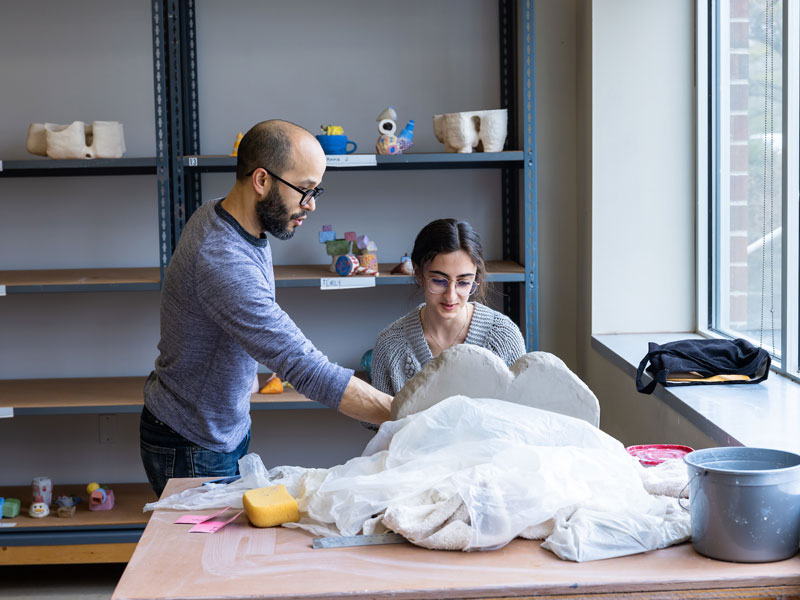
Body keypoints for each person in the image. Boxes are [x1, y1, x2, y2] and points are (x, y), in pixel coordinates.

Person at [140, 120, 392, 497]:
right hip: (193, 442)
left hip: (215, 425)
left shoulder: (226, 215)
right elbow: (307, 369)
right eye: (304, 190)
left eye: (316, 190)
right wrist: (410, 414)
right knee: (211, 556)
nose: (312, 204)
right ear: (261, 180)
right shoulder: (223, 259)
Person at [371, 218, 526, 396]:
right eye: (439, 281)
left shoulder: (504, 337)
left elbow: (522, 417)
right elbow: (379, 423)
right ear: (419, 274)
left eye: (464, 282)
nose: (451, 295)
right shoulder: (390, 346)